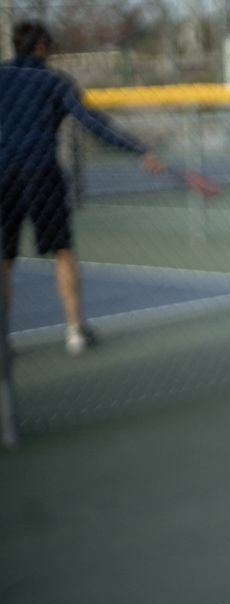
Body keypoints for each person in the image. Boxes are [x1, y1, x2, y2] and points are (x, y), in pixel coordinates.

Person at [1, 21, 165, 356]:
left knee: (4, 257)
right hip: (41, 174)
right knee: (62, 250)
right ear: (42, 47)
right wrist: (138, 150)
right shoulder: (54, 81)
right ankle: (75, 331)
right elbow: (93, 123)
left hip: (2, 176)